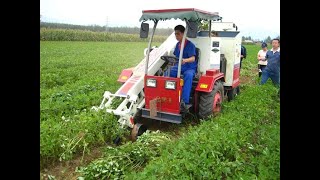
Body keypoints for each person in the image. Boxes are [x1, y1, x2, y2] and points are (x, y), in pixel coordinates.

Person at [168, 25, 197, 111]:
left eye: (178, 34)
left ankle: (184, 102)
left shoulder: (190, 45)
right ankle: (170, 96)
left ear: (184, 34)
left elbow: (193, 58)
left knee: (188, 76)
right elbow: (176, 56)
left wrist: (185, 60)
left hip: (189, 67)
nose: (176, 36)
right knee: (168, 72)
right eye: (175, 34)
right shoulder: (177, 45)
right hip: (179, 66)